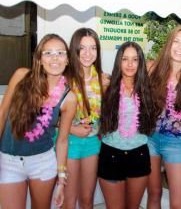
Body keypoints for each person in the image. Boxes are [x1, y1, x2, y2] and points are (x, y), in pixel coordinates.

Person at [0, 34, 77, 208]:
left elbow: (63, 140)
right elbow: (2, 113)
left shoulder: (69, 98)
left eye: (60, 53)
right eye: (48, 53)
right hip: (8, 160)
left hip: (43, 162)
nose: (55, 57)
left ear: (67, 60)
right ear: (40, 59)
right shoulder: (21, 76)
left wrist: (62, 180)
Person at [146, 25, 181, 209]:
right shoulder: (153, 68)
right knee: (154, 194)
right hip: (150, 139)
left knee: (178, 203)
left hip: (177, 143)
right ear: (169, 44)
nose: (180, 47)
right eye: (176, 41)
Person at [98, 41, 156, 209]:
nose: (130, 64)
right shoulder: (106, 86)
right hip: (110, 155)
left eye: (135, 59)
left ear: (140, 62)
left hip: (139, 155)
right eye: (125, 59)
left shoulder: (148, 88)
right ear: (118, 61)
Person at [63, 28, 108, 209]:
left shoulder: (104, 80)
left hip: (92, 144)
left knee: (87, 200)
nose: (88, 53)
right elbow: (48, 117)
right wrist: (72, 129)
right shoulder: (65, 79)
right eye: (82, 48)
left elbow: (107, 115)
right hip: (69, 143)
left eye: (93, 48)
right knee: (68, 201)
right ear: (75, 50)